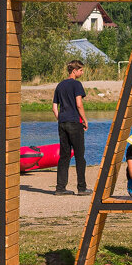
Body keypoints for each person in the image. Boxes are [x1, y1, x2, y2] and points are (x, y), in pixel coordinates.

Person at [52, 60, 90, 196]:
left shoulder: (60, 85)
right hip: (75, 122)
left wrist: (61, 118)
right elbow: (79, 104)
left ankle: (60, 187)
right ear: (74, 71)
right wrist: (85, 120)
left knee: (64, 156)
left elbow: (54, 107)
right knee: (80, 156)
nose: (82, 72)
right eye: (80, 70)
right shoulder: (76, 84)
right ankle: (82, 187)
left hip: (62, 123)